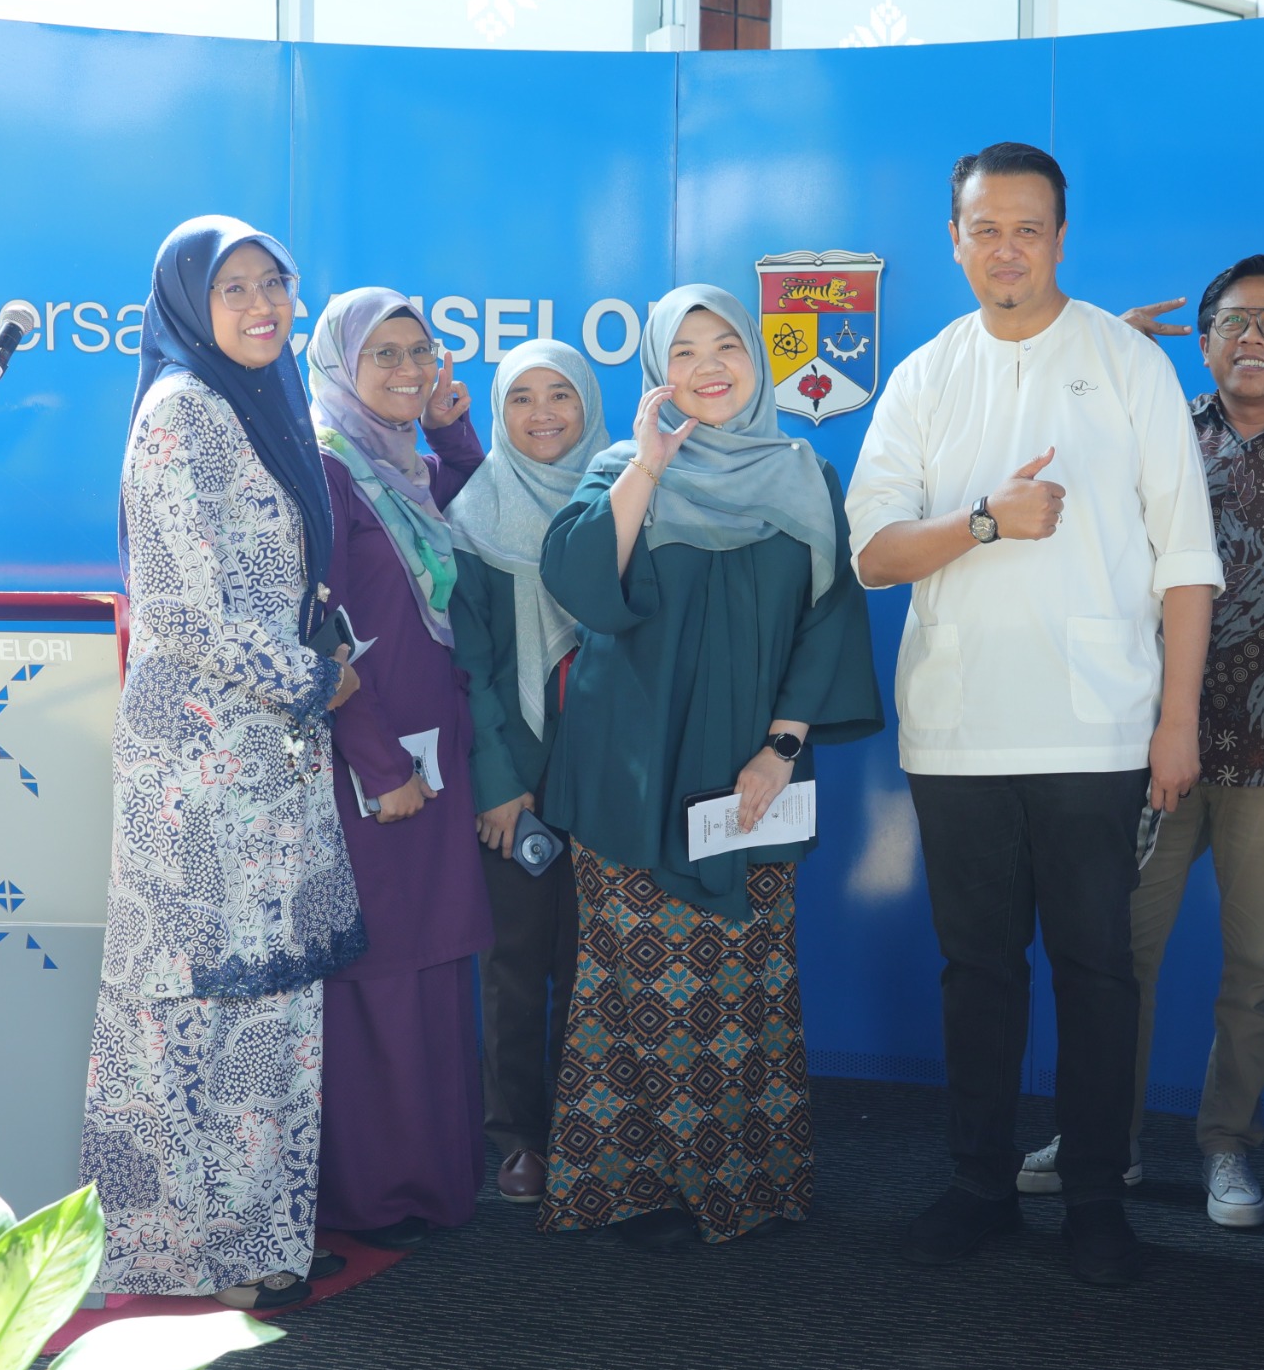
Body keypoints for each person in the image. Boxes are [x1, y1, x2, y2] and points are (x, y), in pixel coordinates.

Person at [848, 141, 1221, 1288]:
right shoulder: (923, 376)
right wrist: (985, 520)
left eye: (1027, 228)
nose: (1005, 248)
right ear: (953, 239)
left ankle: (1097, 1197)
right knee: (977, 968)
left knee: (1096, 968)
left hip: (1098, 727)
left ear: (1060, 238)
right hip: (957, 728)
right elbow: (873, 553)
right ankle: (979, 1183)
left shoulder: (1125, 362)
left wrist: (1176, 721)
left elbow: (1186, 559)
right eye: (984, 228)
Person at [534, 284, 881, 1249]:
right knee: (631, 985)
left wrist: (782, 748)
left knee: (745, 979)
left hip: (751, 776)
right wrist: (649, 466)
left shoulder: (804, 473)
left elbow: (829, 621)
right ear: (657, 372)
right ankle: (627, 1187)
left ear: (757, 358)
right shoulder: (619, 469)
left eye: (725, 343)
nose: (708, 366)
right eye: (681, 352)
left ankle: (745, 1185)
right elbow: (581, 586)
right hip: (630, 778)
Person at [1012, 255, 1264, 1230]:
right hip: (1149, 742)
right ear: (1201, 342)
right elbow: (1041, 464)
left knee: (1257, 967)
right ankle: (1101, 1139)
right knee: (1116, 954)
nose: (1252, 338)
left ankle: (1226, 1144)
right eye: (1232, 321)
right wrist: (1096, 357)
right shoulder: (1148, 425)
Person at [79, 216, 365, 1311]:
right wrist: (313, 677)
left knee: (271, 1001)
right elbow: (181, 608)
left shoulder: (262, 401)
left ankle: (260, 1237)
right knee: (192, 1006)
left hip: (267, 753)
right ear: (189, 305)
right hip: (199, 767)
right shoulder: (182, 410)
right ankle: (186, 1251)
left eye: (273, 283)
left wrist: (311, 673)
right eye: (233, 287)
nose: (261, 305)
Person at [302, 287, 493, 1249]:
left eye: (420, 351)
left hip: (437, 750)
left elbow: (476, 534)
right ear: (340, 365)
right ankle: (374, 1194)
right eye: (384, 354)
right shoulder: (327, 473)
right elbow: (322, 636)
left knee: (434, 952)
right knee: (379, 967)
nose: (409, 370)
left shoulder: (405, 467)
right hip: (369, 765)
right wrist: (378, 767)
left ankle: (435, 1176)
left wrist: (455, 440)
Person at [447, 338, 610, 1207]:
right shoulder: (473, 514)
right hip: (515, 780)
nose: (542, 414)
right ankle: (519, 1137)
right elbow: (467, 667)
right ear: (499, 412)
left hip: (614, 778)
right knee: (515, 966)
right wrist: (498, 785)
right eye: (521, 398)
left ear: (589, 404)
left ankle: (591, 1129)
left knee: (601, 962)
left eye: (561, 395)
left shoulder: (630, 496)